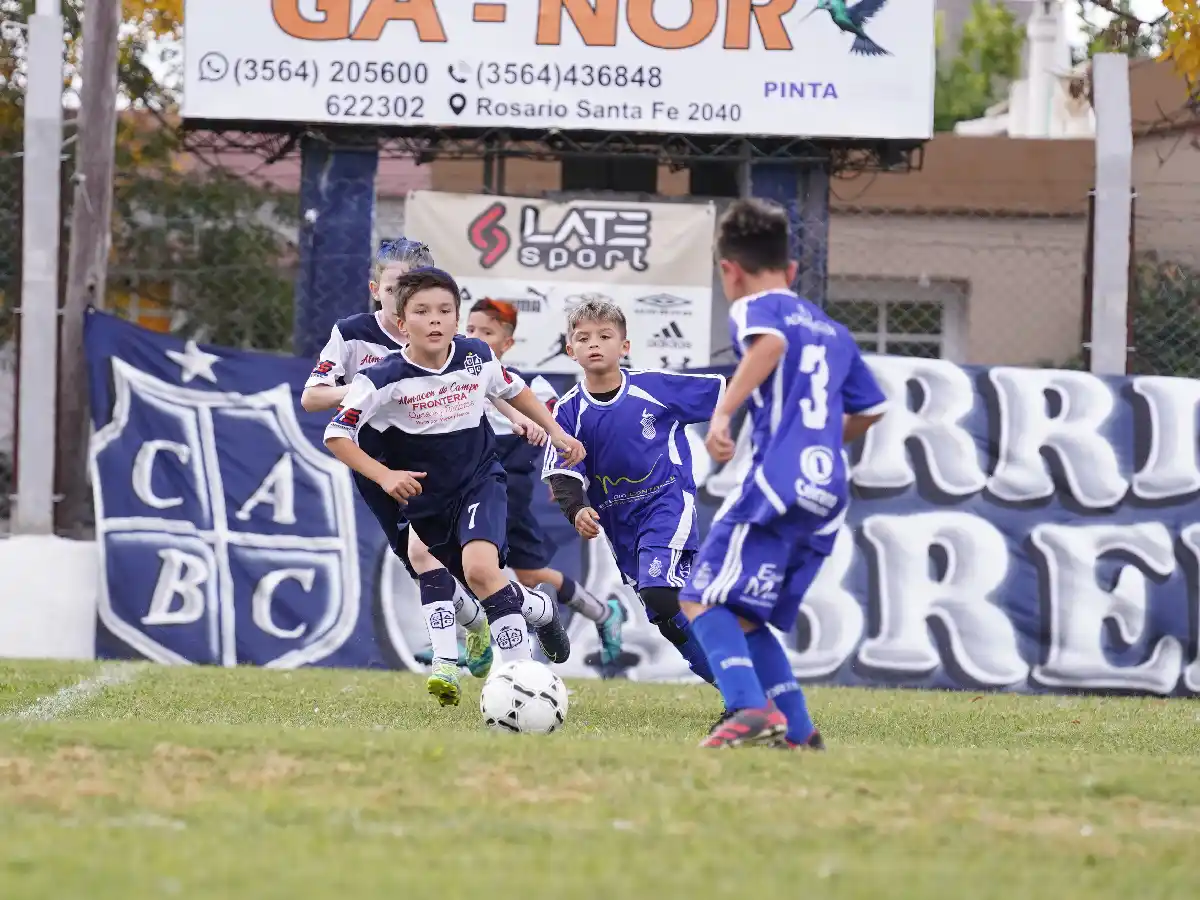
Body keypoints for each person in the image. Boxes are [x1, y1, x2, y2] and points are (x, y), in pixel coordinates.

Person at [679, 198, 888, 751]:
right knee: (746, 611)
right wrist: (819, 440)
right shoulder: (832, 330)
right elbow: (870, 410)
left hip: (776, 480)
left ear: (731, 269)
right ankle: (798, 730)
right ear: (792, 269)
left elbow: (769, 345)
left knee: (700, 596)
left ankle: (749, 709)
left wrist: (725, 413)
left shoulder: (756, 308)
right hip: (827, 489)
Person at [324, 267, 583, 708]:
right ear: (402, 324)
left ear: (457, 319)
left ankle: (518, 690)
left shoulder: (476, 355)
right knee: (485, 582)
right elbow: (336, 435)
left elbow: (514, 389)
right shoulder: (383, 377)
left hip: (480, 481)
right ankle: (540, 610)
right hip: (428, 505)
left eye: (445, 310)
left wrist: (556, 433)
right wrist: (385, 475)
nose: (435, 319)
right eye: (422, 311)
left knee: (482, 571)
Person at [409, 297, 626, 665]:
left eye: (487, 332)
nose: (475, 337)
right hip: (463, 486)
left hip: (507, 489)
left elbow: (563, 434)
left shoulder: (533, 390)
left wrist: (549, 446)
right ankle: (463, 637)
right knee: (449, 557)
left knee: (525, 574)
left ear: (507, 344)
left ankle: (603, 614)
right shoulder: (454, 379)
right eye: (472, 329)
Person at [541, 297, 722, 687]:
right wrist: (576, 511)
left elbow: (726, 393)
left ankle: (742, 691)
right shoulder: (568, 411)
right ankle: (736, 687)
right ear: (570, 351)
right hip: (620, 524)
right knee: (665, 616)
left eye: (605, 336)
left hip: (667, 505)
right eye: (583, 337)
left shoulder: (655, 387)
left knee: (661, 594)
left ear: (624, 346)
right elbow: (562, 472)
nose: (594, 344)